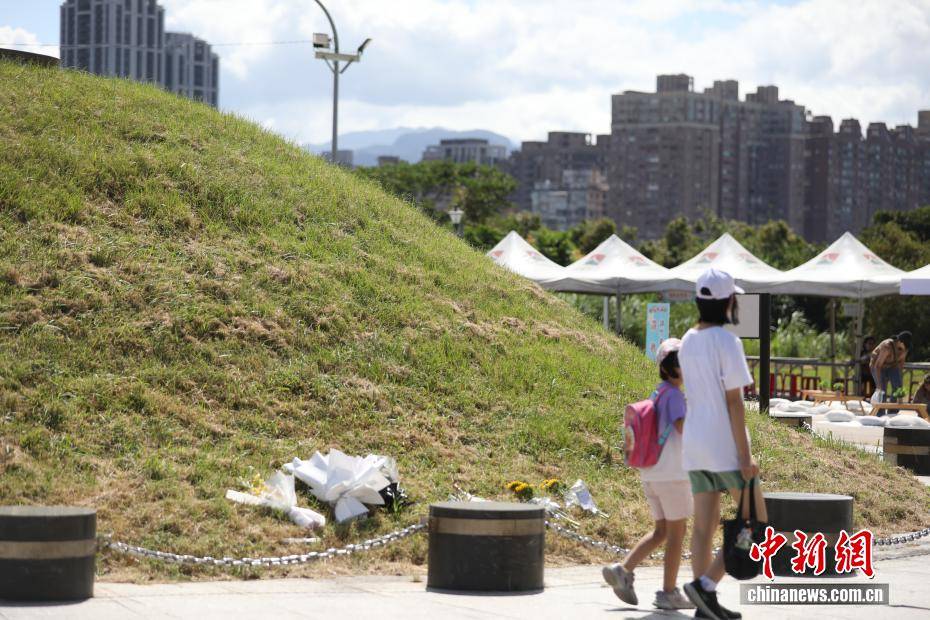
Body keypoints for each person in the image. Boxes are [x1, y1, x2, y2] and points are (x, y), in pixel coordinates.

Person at [677, 268, 766, 620]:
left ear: (700, 301)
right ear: (729, 301)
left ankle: (704, 603)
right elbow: (734, 402)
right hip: (724, 446)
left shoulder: (687, 339)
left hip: (695, 443)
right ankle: (706, 586)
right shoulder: (729, 342)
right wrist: (745, 456)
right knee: (755, 520)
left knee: (703, 526)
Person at [603, 339, 695, 611]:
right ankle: (668, 592)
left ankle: (623, 570)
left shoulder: (659, 392)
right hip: (673, 475)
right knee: (677, 534)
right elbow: (682, 427)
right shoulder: (676, 396)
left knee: (661, 531)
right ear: (672, 369)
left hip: (651, 473)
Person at [870, 331, 912, 411]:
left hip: (892, 366)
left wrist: (899, 381)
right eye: (904, 346)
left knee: (897, 387)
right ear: (899, 342)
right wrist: (878, 384)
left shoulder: (905, 349)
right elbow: (878, 366)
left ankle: (893, 409)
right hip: (878, 366)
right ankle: (880, 411)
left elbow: (900, 364)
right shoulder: (887, 346)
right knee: (882, 390)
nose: (905, 349)